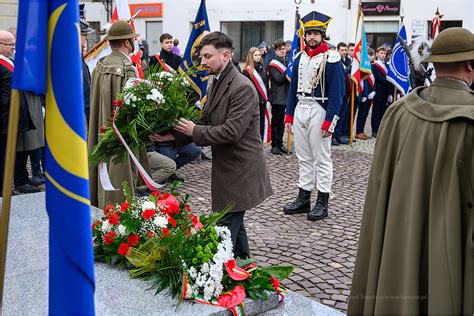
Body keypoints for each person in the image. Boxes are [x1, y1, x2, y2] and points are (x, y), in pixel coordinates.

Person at [349, 27, 474, 315]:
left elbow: (380, 192)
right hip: (453, 253)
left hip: (398, 243)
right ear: (470, 64)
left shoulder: (398, 113)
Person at [153, 31, 273, 259]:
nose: (202, 62)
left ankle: (221, 275)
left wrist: (194, 131)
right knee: (234, 228)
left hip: (241, 171)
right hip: (227, 170)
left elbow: (232, 131)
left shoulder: (242, 87)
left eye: (207, 56)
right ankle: (243, 267)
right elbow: (205, 120)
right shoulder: (215, 82)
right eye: (201, 57)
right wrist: (171, 137)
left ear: (226, 55)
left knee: (224, 229)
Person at [282, 11, 345, 221]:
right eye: (308, 33)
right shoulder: (300, 57)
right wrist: (289, 115)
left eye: (316, 33)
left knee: (322, 159)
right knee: (304, 157)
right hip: (301, 106)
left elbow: (337, 94)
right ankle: (303, 198)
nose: (311, 37)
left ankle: (322, 201)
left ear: (323, 34)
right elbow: (292, 90)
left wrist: (330, 121)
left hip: (320, 109)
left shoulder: (333, 58)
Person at [88, 20, 149, 208]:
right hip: (120, 134)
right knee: (120, 173)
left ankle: (99, 204)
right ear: (126, 42)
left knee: (102, 167)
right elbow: (132, 108)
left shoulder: (100, 64)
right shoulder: (126, 68)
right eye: (133, 40)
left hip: (100, 126)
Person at [0, 30, 41, 195]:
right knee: (2, 159)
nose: (12, 48)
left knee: (9, 157)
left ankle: (7, 188)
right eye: (9, 45)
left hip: (15, 118)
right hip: (5, 119)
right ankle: (3, 191)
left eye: (13, 44)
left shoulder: (8, 61)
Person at [242, 47, 269, 142]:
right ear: (251, 56)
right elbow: (246, 89)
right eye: (255, 55)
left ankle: (260, 142)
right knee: (253, 125)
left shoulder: (263, 69)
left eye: (259, 55)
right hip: (252, 103)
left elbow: (266, 85)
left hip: (262, 102)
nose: (258, 57)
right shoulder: (246, 71)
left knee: (261, 124)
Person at [268, 39, 290, 155]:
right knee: (276, 122)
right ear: (276, 51)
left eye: (284, 49)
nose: (283, 51)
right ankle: (274, 145)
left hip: (286, 97)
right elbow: (278, 80)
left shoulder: (287, 61)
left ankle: (280, 143)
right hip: (277, 98)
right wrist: (288, 70)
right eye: (280, 49)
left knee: (282, 123)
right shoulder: (273, 64)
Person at [371, 46, 393, 138]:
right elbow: (379, 78)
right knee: (376, 112)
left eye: (384, 53)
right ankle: (374, 130)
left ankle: (380, 129)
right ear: (377, 53)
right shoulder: (375, 65)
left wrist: (390, 92)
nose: (383, 55)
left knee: (383, 112)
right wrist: (389, 81)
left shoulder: (387, 65)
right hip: (378, 92)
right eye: (381, 53)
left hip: (386, 92)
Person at [354, 48, 375, 140]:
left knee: (365, 113)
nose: (372, 57)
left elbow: (374, 80)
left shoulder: (373, 66)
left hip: (371, 93)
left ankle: (361, 130)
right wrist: (365, 93)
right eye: (370, 55)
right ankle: (358, 131)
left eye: (373, 55)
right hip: (364, 93)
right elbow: (364, 81)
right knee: (361, 113)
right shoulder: (363, 65)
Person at [80, 19, 94, 123]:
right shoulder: (74, 62)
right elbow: (86, 95)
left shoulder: (78, 59)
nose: (87, 38)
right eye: (84, 34)